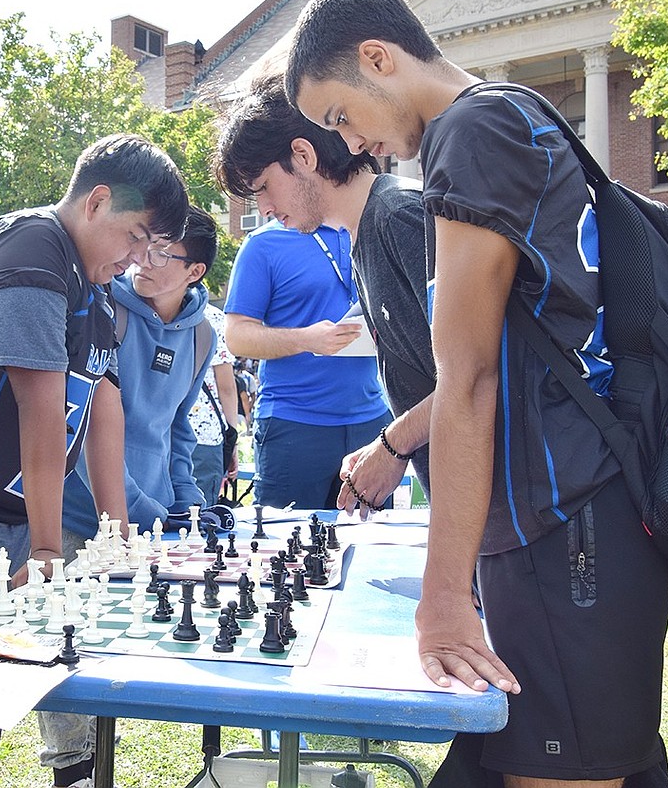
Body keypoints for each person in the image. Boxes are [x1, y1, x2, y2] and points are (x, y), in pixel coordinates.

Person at [285, 0, 668, 788]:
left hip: (565, 532)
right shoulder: (512, 112)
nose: (350, 141)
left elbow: (468, 380)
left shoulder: (474, 128)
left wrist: (442, 597)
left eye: (339, 115)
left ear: (378, 58)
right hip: (572, 524)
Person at [0, 133, 188, 788]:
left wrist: (116, 532)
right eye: (138, 236)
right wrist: (46, 549)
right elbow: (41, 405)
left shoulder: (93, 282)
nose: (136, 259)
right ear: (96, 202)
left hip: (10, 512)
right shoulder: (35, 250)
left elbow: (102, 400)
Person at [215, 72, 434, 516]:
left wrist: (392, 446)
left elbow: (478, 376)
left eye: (262, 188)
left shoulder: (400, 217)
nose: (266, 210)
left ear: (303, 155)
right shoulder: (367, 228)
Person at [63, 205, 220, 549]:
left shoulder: (203, 336)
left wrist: (189, 504)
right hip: (81, 520)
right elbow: (82, 422)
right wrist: (143, 512)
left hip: (157, 524)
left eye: (161, 254)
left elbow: (177, 427)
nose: (144, 260)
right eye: (145, 246)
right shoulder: (102, 307)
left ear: (194, 272)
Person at [187, 303, 239, 510]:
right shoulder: (212, 317)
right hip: (204, 434)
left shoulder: (141, 305)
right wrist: (232, 437)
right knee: (198, 519)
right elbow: (226, 387)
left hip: (153, 430)